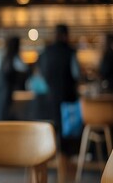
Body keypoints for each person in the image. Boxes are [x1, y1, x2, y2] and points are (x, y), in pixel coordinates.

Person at [37, 24, 80, 154]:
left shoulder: (46, 52)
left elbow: (39, 75)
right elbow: (76, 74)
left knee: (52, 127)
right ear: (66, 35)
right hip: (68, 97)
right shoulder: (70, 52)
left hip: (49, 98)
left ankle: (50, 154)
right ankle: (66, 156)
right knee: (67, 130)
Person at [0, 36, 28, 121]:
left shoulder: (4, 58)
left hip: (0, 93)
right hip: (5, 94)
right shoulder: (15, 59)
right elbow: (25, 71)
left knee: (0, 116)